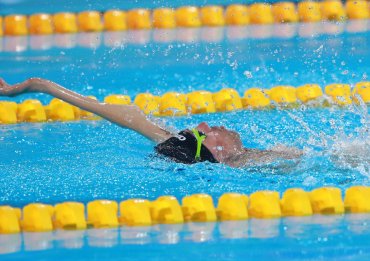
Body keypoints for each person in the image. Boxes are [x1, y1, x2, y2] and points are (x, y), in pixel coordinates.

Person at [0, 78, 303, 167]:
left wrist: (36, 85)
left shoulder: (231, 158)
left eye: (203, 130)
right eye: (205, 134)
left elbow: (126, 115)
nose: (210, 125)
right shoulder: (242, 163)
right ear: (218, 154)